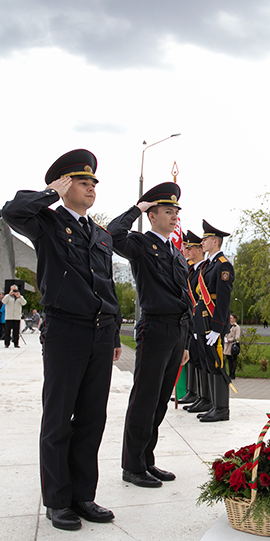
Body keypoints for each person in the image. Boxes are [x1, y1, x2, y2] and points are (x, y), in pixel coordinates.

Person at [2, 148, 122, 531]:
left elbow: (108, 287)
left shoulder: (100, 235)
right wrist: (51, 192)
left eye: (92, 184)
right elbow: (12, 211)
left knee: (92, 417)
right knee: (59, 418)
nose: (91, 189)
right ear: (66, 184)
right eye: (83, 182)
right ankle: (57, 501)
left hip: (100, 333)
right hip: (65, 330)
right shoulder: (47, 223)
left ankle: (83, 496)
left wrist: (115, 333)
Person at [108, 182, 192, 488]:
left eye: (175, 212)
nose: (173, 217)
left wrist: (187, 341)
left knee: (159, 401)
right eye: (167, 211)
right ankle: (132, 466)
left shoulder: (176, 251)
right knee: (144, 399)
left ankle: (147, 460)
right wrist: (136, 208)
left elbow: (186, 294)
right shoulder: (141, 244)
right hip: (155, 327)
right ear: (152, 215)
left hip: (177, 331)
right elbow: (112, 234)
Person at [193, 220, 234, 422]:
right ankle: (213, 405)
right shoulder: (209, 265)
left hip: (213, 322)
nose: (203, 242)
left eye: (206, 239)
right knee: (208, 362)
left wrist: (218, 328)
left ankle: (222, 409)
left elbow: (224, 300)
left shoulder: (223, 266)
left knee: (217, 363)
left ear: (215, 242)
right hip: (203, 320)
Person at [178, 231, 206, 407]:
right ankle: (193, 392)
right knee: (194, 358)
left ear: (198, 249)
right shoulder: (192, 270)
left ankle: (204, 397)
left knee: (204, 361)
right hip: (192, 320)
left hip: (204, 322)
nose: (186, 251)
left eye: (189, 248)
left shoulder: (206, 269)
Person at [224, 313, 241, 379]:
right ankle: (230, 373)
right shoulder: (227, 325)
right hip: (227, 345)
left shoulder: (237, 327)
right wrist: (225, 338)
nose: (230, 319)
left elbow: (237, 337)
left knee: (233, 359)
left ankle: (233, 373)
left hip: (233, 345)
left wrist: (230, 340)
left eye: (231, 318)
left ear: (234, 319)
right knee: (229, 359)